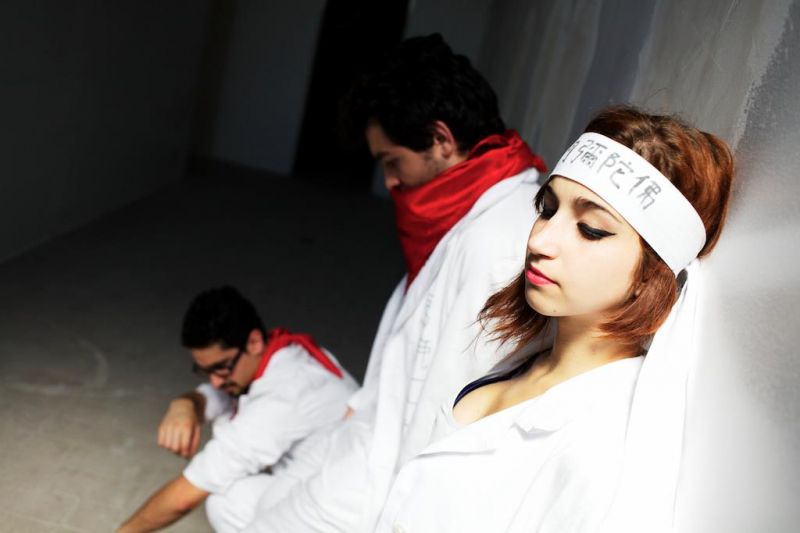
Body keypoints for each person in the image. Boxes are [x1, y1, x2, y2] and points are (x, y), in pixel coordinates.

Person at [376, 106, 734, 532]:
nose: (540, 240)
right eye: (547, 209)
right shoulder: (532, 356)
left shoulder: (602, 451)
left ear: (650, 274)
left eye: (591, 229)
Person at [243, 34, 547, 532]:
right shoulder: (465, 211)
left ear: (441, 139)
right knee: (240, 505)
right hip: (371, 431)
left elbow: (454, 415)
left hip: (391, 480)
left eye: (392, 161)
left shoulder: (497, 242)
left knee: (261, 522)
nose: (389, 182)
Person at [117, 286, 357, 533]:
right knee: (234, 497)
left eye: (221, 368)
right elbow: (226, 397)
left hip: (343, 516)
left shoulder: (288, 394)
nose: (215, 382)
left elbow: (186, 496)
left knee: (227, 500)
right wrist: (187, 403)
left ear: (254, 342)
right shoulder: (284, 354)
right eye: (205, 371)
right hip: (328, 489)